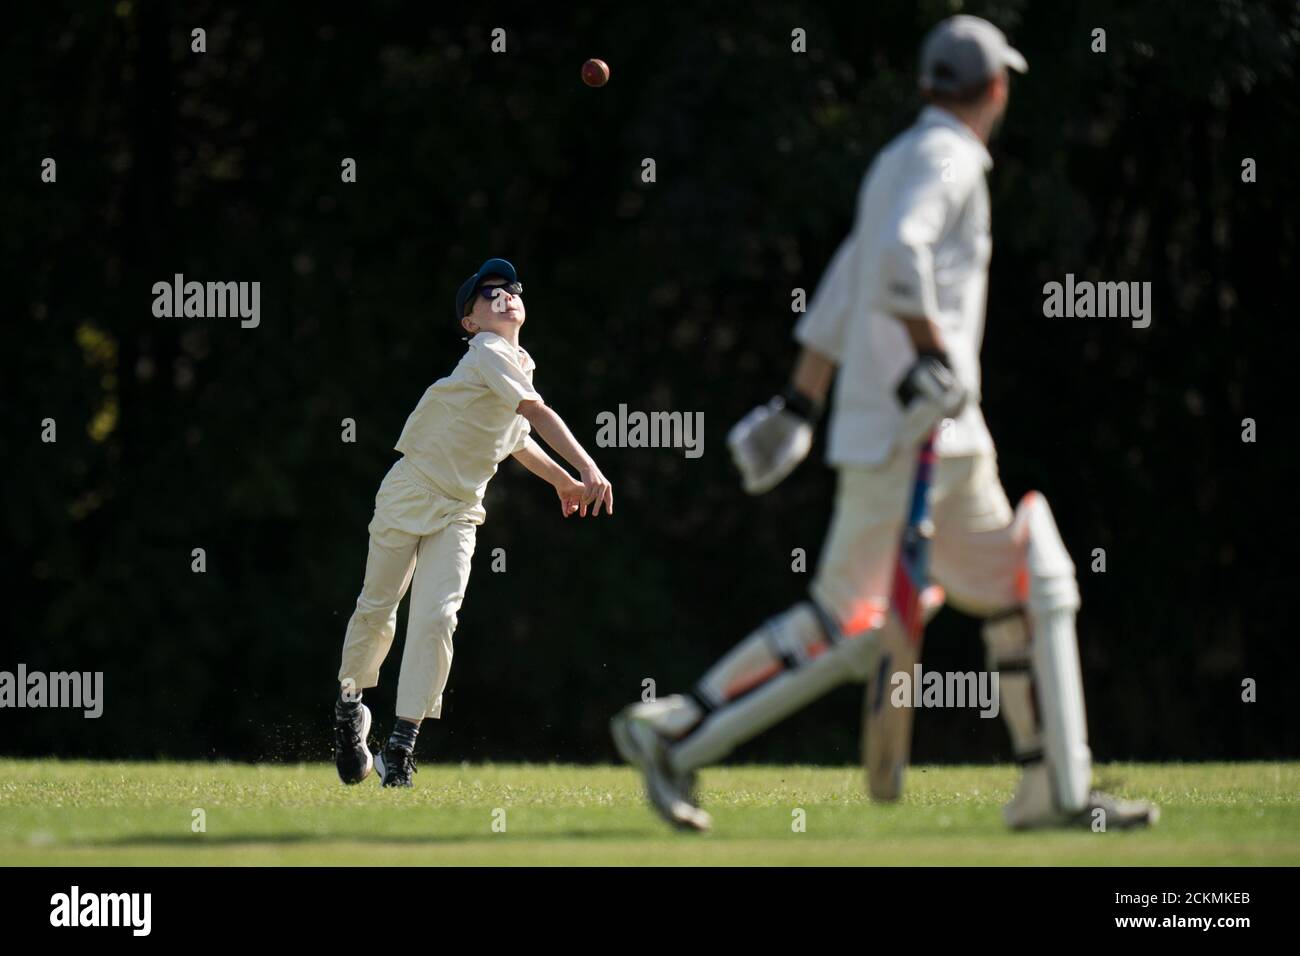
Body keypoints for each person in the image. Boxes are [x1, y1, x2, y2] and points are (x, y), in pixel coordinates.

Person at [611, 16, 1158, 832]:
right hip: (918, 432)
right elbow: (897, 262)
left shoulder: (896, 161)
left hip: (927, 432)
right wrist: (933, 358)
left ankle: (1051, 787)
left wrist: (801, 400)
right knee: (855, 620)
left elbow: (845, 283)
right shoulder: (951, 161)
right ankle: (675, 731)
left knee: (1020, 583)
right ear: (998, 89)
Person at [334, 258, 613, 787]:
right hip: (411, 489)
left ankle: (401, 747)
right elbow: (534, 414)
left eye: (512, 289)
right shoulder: (487, 352)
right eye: (490, 293)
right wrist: (587, 468)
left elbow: (517, 441)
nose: (505, 296)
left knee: (438, 618)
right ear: (470, 322)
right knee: (378, 607)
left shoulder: (517, 362)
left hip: (461, 509)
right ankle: (350, 708)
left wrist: (560, 481)